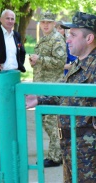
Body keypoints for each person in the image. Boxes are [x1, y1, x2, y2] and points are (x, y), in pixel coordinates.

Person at [26, 11, 96, 182]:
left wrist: (91, 126)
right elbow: (67, 95)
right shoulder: (78, 63)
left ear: (89, 39)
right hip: (71, 146)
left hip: (88, 150)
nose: (67, 39)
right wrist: (39, 98)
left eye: (73, 34)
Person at [29, 11, 67, 167]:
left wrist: (40, 59)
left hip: (51, 87)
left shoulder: (57, 39)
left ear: (54, 24)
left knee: (52, 123)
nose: (45, 25)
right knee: (47, 122)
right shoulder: (45, 38)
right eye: (43, 22)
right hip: (43, 86)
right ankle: (55, 154)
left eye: (49, 22)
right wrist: (34, 62)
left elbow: (60, 62)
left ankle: (56, 157)